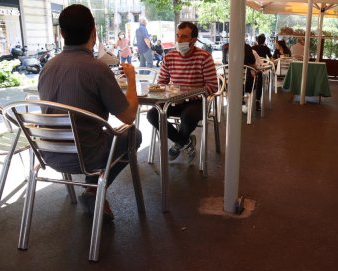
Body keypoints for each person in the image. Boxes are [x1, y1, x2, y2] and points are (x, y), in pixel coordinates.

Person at [38, 4, 141, 220]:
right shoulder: (97, 69)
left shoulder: (47, 67)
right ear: (94, 32)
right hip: (86, 158)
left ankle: (93, 191)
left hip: (49, 154)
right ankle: (95, 190)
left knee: (97, 136)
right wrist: (132, 79)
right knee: (134, 134)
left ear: (61, 33)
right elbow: (129, 116)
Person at [147, 22, 218, 164]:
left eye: (184, 37)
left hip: (198, 101)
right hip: (174, 100)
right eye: (177, 36)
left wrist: (189, 95)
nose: (179, 40)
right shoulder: (169, 57)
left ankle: (179, 143)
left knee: (188, 116)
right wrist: (169, 95)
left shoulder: (204, 57)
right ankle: (184, 142)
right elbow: (162, 83)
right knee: (152, 114)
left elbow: (213, 86)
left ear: (194, 40)